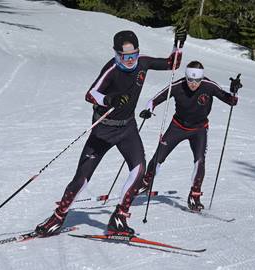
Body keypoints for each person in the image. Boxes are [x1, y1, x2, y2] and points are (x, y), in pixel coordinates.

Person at [34, 28, 187, 237]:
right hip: (103, 130)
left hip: (127, 128)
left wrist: (178, 45)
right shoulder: (112, 69)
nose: (131, 60)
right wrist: (109, 99)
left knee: (139, 170)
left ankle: (119, 218)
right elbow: (90, 94)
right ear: (117, 54)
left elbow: (173, 65)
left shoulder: (142, 63)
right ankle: (57, 218)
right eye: (126, 56)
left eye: (134, 54)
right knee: (81, 178)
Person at [138, 60, 239, 212]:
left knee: (200, 160)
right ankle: (145, 182)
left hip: (199, 129)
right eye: (190, 80)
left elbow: (231, 101)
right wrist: (148, 109)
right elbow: (154, 100)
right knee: (159, 156)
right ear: (185, 77)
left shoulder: (209, 85)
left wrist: (234, 91)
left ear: (201, 78)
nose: (193, 84)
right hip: (178, 126)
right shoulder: (178, 86)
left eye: (197, 80)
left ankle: (194, 196)